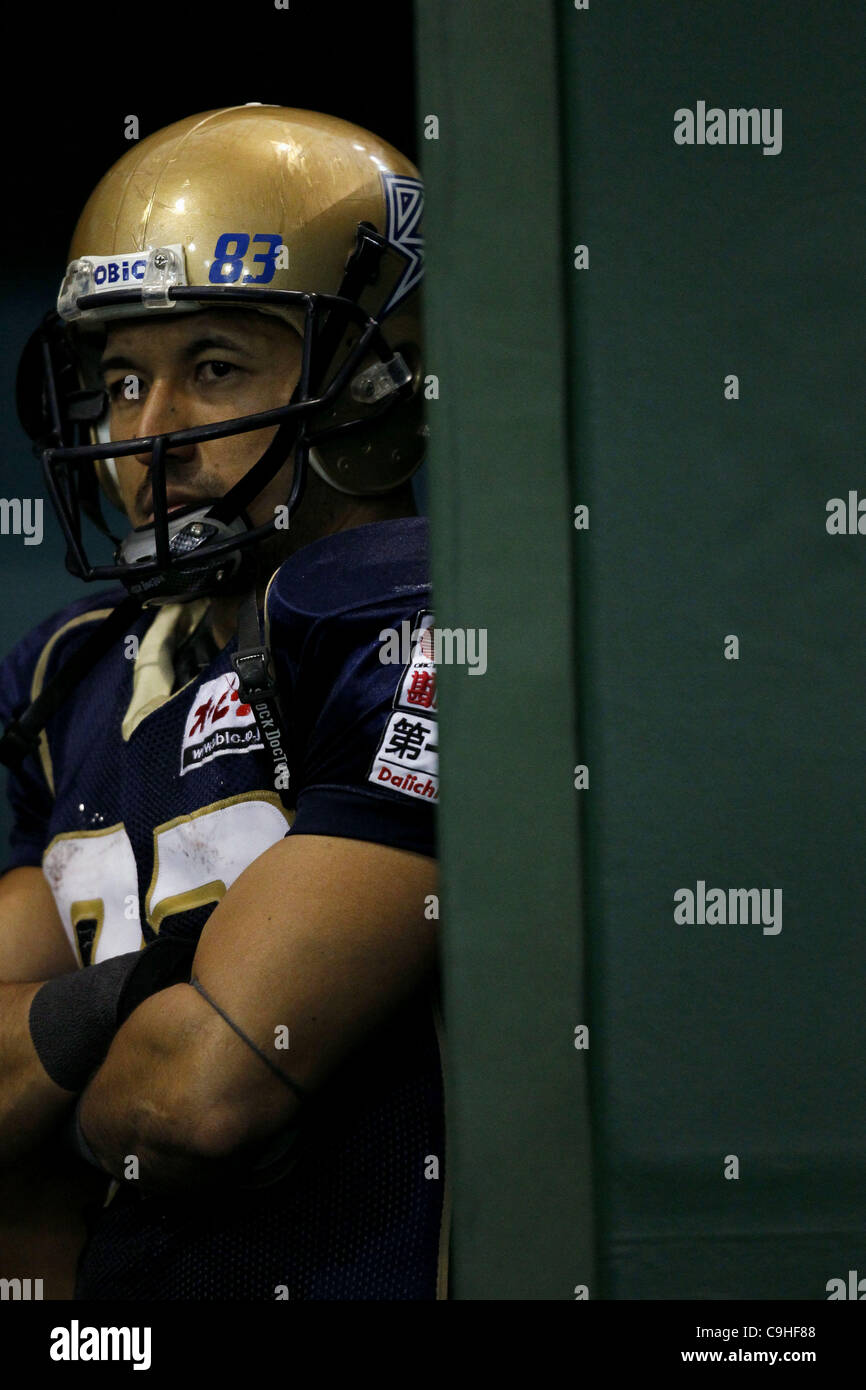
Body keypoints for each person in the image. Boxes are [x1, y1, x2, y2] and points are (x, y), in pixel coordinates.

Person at [0, 104, 447, 1300]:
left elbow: (201, 1097)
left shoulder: (404, 623)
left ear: (376, 375)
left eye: (211, 368)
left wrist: (57, 1073)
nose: (146, 435)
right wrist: (131, 999)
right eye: (121, 377)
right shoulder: (70, 673)